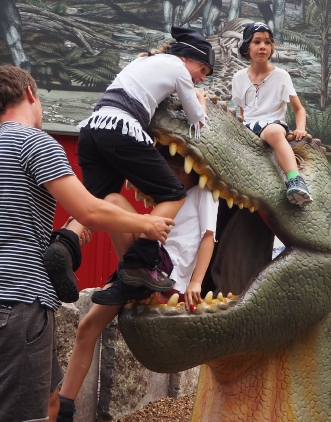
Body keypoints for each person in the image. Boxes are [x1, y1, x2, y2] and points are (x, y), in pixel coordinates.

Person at [0, 65, 174, 422]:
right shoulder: (35, 142)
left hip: (1, 301)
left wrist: (71, 236)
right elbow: (90, 210)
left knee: (46, 408)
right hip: (17, 303)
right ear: (30, 92)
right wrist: (145, 224)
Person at [54, 150, 218, 422]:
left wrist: (196, 282)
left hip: (164, 270)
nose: (167, 176)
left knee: (113, 202)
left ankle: (91, 246)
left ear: (186, 170)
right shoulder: (170, 196)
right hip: (138, 263)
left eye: (172, 171)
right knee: (87, 327)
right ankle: (65, 409)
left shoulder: (203, 194)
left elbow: (208, 237)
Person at [45, 25, 213, 307]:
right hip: (121, 128)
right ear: (186, 58)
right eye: (203, 69)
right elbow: (197, 119)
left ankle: (64, 245)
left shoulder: (144, 61)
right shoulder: (179, 69)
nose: (202, 77)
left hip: (92, 129)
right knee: (174, 194)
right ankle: (140, 262)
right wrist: (201, 100)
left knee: (95, 201)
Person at [231, 21, 312, 205]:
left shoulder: (281, 75)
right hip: (248, 126)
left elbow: (299, 109)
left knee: (274, 132)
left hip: (273, 123)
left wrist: (300, 128)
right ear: (247, 46)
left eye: (267, 42)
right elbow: (243, 110)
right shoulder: (238, 77)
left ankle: (295, 180)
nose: (263, 46)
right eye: (257, 42)